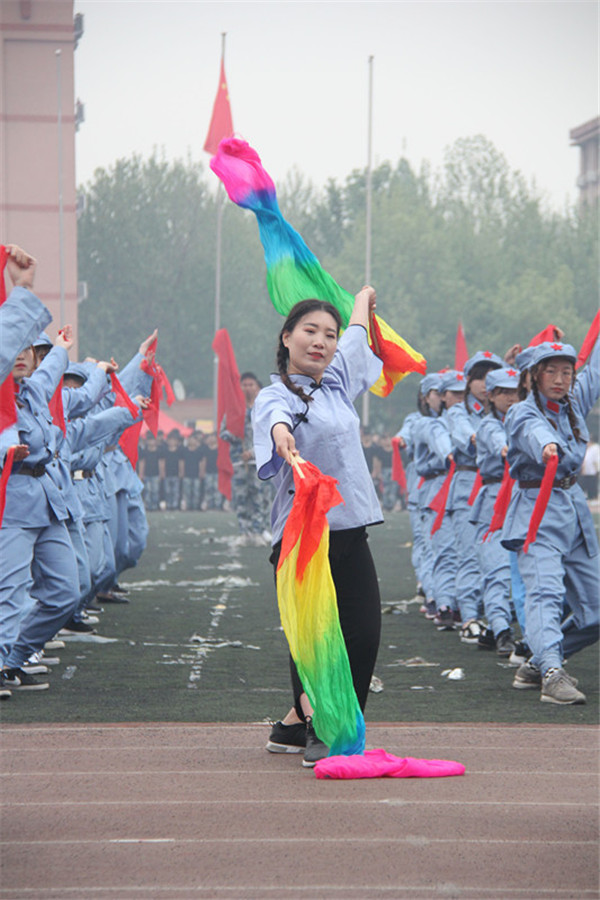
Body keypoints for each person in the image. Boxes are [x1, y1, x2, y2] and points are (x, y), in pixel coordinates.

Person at [252, 286, 383, 767]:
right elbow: (275, 419)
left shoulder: (338, 382)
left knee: (364, 634)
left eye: (327, 335)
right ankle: (322, 729)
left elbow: (355, 334)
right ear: (287, 337)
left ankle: (293, 725)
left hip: (351, 531)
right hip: (302, 538)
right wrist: (282, 436)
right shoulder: (273, 395)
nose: (321, 342)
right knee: (312, 639)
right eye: (309, 331)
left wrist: (361, 302)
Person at [501, 339, 599, 704]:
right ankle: (552, 673)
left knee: (596, 609)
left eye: (566, 371)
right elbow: (532, 430)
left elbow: (597, 371)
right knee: (545, 594)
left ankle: (537, 661)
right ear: (533, 377)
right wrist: (547, 445)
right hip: (536, 512)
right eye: (551, 371)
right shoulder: (522, 412)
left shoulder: (573, 404)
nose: (560, 378)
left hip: (573, 512)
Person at [220, 372, 272, 542]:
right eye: (245, 385)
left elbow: (269, 434)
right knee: (241, 496)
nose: (248, 388)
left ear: (257, 387)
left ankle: (259, 529)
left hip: (259, 460)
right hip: (239, 461)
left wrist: (252, 451)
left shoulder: (264, 408)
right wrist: (235, 436)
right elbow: (223, 432)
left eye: (251, 385)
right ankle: (244, 531)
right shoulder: (234, 410)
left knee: (259, 496)